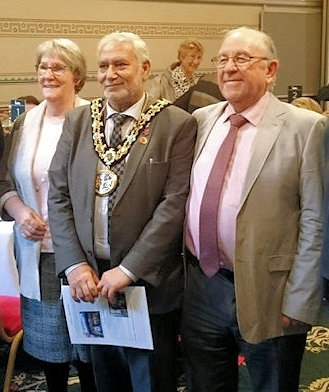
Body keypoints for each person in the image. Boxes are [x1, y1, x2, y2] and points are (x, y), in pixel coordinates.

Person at [47, 31, 197, 392]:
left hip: (147, 283)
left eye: (120, 64)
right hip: (91, 282)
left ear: (145, 68)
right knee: (105, 380)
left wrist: (129, 269)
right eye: (103, 65)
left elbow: (173, 205)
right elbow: (59, 194)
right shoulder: (80, 121)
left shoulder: (175, 124)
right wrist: (74, 263)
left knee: (150, 381)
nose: (110, 73)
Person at [182, 26, 328, 392]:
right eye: (223, 59)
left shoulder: (306, 128)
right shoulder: (202, 120)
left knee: (272, 384)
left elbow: (316, 220)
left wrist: (301, 297)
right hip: (203, 285)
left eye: (242, 58)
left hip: (272, 291)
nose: (229, 67)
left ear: (271, 69)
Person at [0, 38, 96, 392]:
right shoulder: (25, 122)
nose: (48, 74)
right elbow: (5, 180)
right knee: (50, 353)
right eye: (43, 66)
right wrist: (20, 210)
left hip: (86, 256)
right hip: (39, 255)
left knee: (91, 350)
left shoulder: (94, 118)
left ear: (77, 75)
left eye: (58, 67)